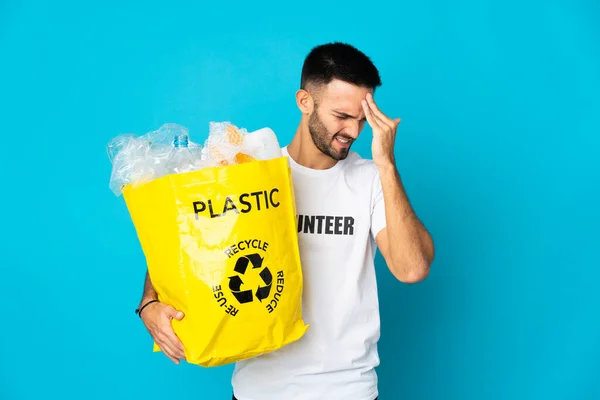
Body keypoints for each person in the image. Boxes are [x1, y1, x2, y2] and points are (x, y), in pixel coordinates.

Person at [136, 42, 435, 400]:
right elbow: (188, 243)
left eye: (362, 119)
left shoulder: (371, 180)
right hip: (259, 388)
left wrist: (387, 164)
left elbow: (411, 268)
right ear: (305, 102)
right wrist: (148, 302)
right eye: (341, 116)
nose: (354, 132)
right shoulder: (253, 174)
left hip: (348, 389)